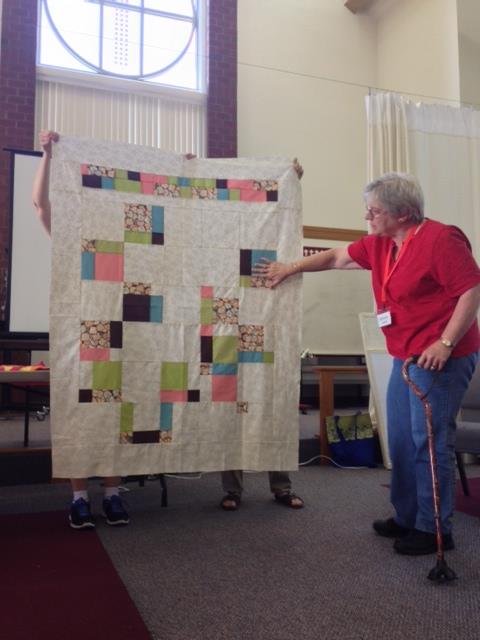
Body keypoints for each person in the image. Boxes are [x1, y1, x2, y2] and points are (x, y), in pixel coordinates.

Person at [256, 172, 480, 554]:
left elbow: (470, 290)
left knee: (429, 443)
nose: (366, 217)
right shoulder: (380, 243)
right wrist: (288, 268)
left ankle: (434, 530)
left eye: (374, 211)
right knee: (401, 440)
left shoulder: (442, 239)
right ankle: (407, 516)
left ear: (403, 213)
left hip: (440, 359)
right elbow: (335, 257)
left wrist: (445, 343)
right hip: (405, 356)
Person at [33, 130, 130, 530]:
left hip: (120, 339)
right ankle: (78, 499)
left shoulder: (131, 243)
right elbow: (41, 206)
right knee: (78, 417)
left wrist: (183, 175)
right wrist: (47, 155)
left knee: (112, 417)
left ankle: (112, 494)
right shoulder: (74, 240)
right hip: (79, 340)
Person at [220, 158, 305, 513]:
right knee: (230, 411)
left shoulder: (272, 245)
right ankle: (232, 490)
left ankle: (282, 486)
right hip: (227, 331)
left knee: (275, 407)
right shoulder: (220, 245)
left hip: (270, 329)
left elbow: (283, 216)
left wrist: (290, 181)